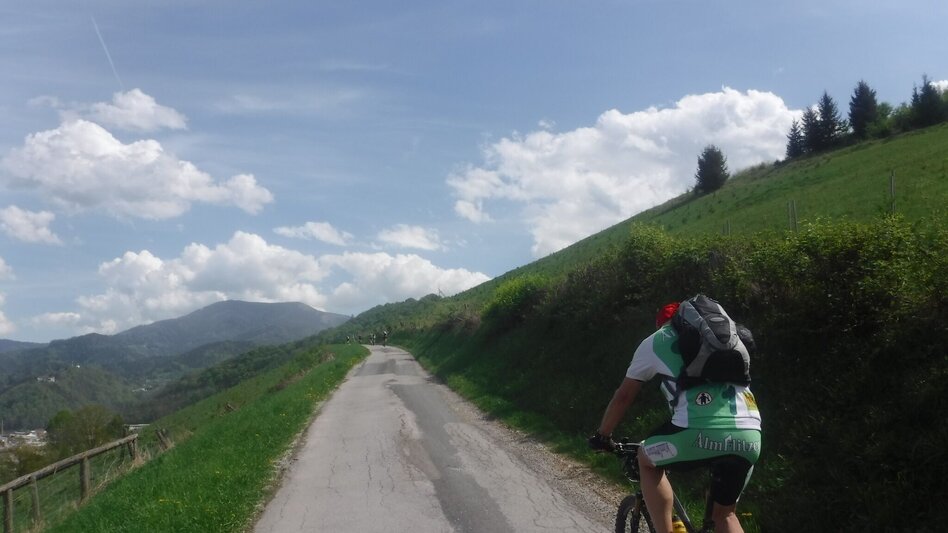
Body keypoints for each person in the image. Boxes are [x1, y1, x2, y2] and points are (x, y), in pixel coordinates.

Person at [589, 301, 761, 533]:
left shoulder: (658, 339)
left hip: (696, 432)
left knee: (646, 459)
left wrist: (603, 435)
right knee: (726, 515)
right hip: (750, 435)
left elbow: (623, 397)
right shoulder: (728, 341)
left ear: (664, 323)